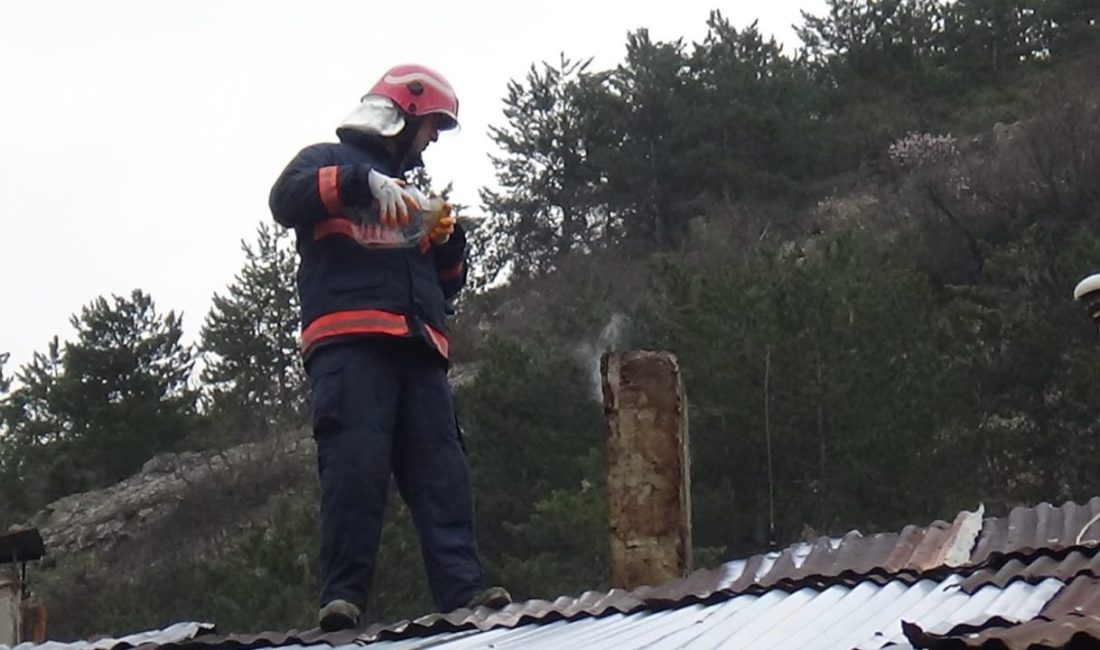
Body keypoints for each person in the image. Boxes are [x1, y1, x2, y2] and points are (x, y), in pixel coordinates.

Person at [269, 63, 510, 631]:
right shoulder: (326, 160)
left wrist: (449, 242)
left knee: (443, 473)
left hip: (419, 347)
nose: (430, 140)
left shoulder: (415, 197)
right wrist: (360, 185)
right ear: (401, 115)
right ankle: (343, 599)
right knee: (356, 469)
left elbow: (446, 289)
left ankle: (463, 593)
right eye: (429, 127)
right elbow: (285, 200)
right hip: (351, 342)